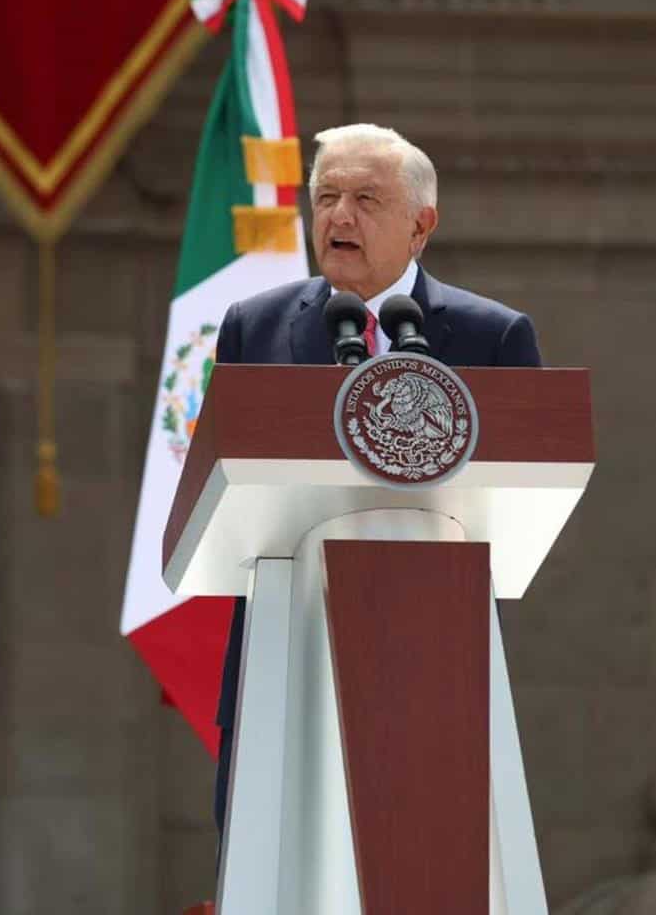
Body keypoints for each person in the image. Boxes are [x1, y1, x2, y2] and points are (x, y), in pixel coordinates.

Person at [212, 123, 542, 835]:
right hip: (284, 645)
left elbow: (526, 490)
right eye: (325, 196)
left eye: (365, 198)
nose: (338, 216)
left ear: (422, 226)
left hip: (432, 649)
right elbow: (217, 477)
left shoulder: (494, 337)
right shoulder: (254, 327)